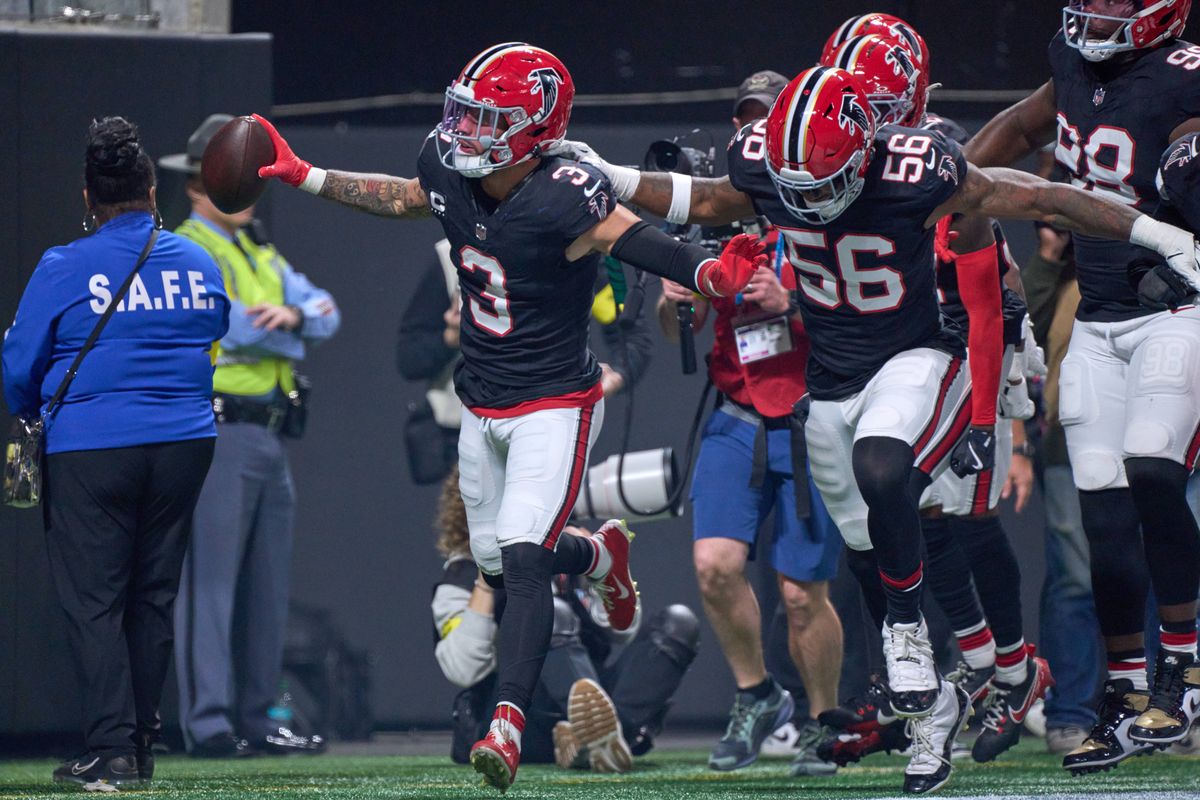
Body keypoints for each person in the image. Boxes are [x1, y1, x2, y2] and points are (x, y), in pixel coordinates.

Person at [554, 50, 1200, 800]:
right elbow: (704, 200)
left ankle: (931, 647)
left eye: (825, 181)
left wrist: (1159, 237)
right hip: (833, 379)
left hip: (916, 355)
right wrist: (610, 171)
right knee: (871, 544)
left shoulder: (915, 167)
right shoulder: (773, 163)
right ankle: (950, 694)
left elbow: (1039, 198)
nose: (810, 200)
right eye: (795, 187)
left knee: (890, 468)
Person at [252, 43, 760, 793]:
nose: (463, 128)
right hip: (480, 400)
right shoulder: (447, 167)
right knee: (495, 565)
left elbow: (639, 240)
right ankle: (596, 558)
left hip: (554, 401)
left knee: (521, 559)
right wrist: (306, 174)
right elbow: (396, 195)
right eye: (466, 110)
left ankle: (508, 724)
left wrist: (708, 272)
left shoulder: (568, 191)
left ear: (534, 131)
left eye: (486, 117)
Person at [964, 0, 1200, 773]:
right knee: (1100, 508)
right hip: (1095, 319)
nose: (1095, 11)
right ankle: (1126, 693)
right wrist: (953, 181)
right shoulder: (1073, 64)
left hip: (1174, 303)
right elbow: (1023, 125)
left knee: (1154, 469)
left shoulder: (1184, 72)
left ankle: (1186, 670)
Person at [2, 117, 229, 790]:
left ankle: (110, 751)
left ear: (88, 198)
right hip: (186, 443)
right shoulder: (197, 259)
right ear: (153, 191)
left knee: (95, 601)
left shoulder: (64, 265)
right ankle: (143, 743)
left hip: (93, 448)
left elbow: (18, 366)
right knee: (153, 599)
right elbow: (215, 326)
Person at [653, 69, 844, 778]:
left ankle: (823, 718)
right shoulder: (717, 215)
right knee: (713, 566)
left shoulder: (829, 211)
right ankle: (757, 695)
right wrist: (679, 292)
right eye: (746, 119)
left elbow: (865, 315)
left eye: (768, 118)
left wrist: (791, 301)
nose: (753, 130)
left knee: (801, 595)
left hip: (808, 418)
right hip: (736, 417)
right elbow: (679, 321)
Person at [159, 114, 341, 758]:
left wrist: (293, 314)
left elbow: (327, 310)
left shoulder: (259, 250)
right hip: (219, 427)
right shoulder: (187, 247)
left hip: (268, 431)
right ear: (195, 185)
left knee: (266, 585)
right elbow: (231, 328)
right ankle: (207, 723)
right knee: (209, 583)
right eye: (227, 182)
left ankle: (260, 715)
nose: (241, 195)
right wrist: (293, 325)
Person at [430, 465, 699, 772]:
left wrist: (593, 565)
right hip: (523, 718)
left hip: (590, 697)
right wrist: (487, 573)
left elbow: (622, 628)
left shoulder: (565, 552)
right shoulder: (459, 579)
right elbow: (464, 669)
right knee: (553, 613)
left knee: (679, 624)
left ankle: (592, 735)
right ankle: (601, 738)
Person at [396, 238, 653, 485]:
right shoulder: (452, 254)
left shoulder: (584, 251)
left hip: (547, 432)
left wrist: (613, 378)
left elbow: (630, 336)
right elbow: (409, 357)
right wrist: (451, 338)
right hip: (464, 441)